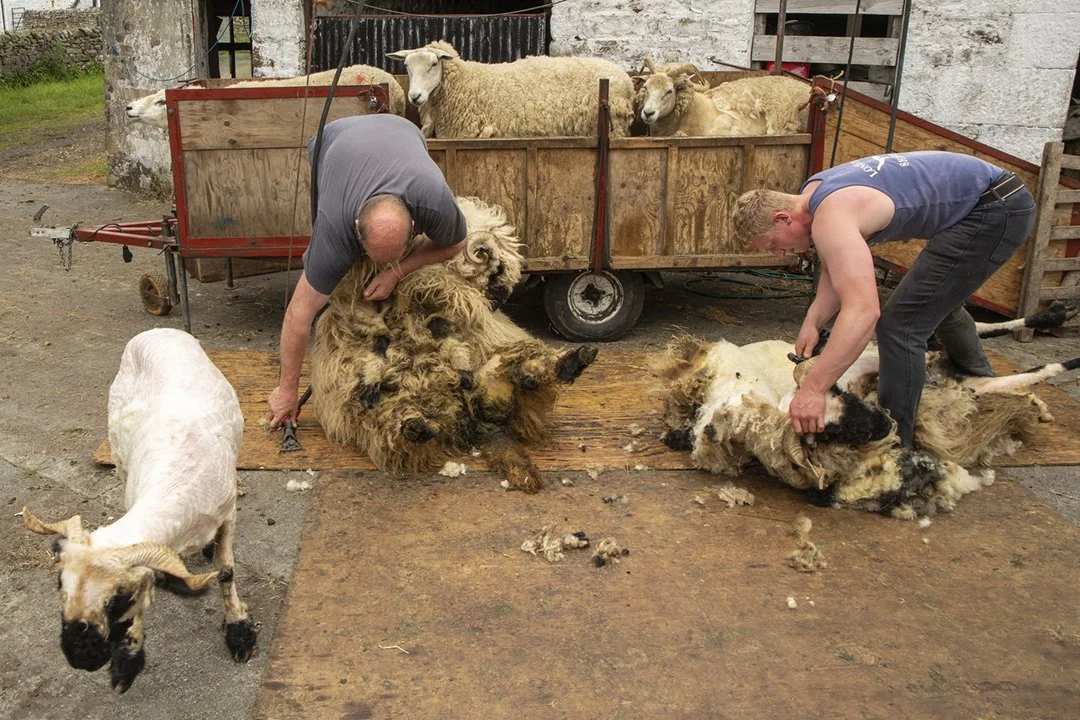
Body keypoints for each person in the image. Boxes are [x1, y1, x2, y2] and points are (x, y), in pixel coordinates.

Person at [732, 150, 1036, 447]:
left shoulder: (830, 216)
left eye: (773, 244)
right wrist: (814, 320)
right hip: (987, 198)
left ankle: (894, 442)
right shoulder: (813, 193)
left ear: (784, 218)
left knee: (899, 325)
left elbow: (864, 312)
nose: (778, 254)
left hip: (994, 208)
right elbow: (837, 265)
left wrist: (813, 388)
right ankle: (978, 381)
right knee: (931, 299)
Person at [267, 114, 468, 429]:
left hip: (403, 128)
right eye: (373, 255)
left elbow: (456, 244)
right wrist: (286, 390)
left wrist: (396, 272)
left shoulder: (433, 200)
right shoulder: (335, 227)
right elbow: (299, 314)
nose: (382, 264)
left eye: (395, 253)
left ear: (415, 224)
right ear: (356, 228)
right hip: (332, 139)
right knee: (329, 280)